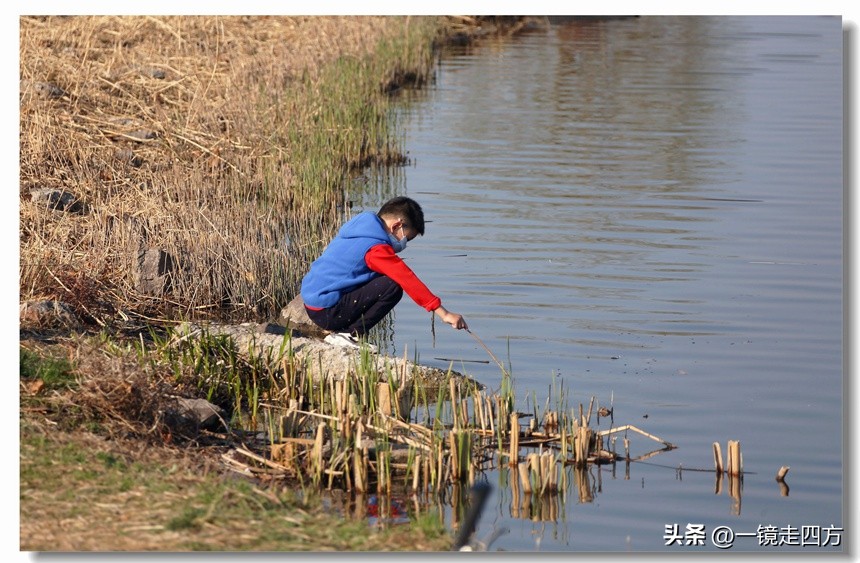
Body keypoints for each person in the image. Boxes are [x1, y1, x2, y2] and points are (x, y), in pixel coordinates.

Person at [300, 196, 468, 350]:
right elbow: (406, 278)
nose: (403, 244)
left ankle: (341, 332)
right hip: (327, 311)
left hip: (314, 302)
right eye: (406, 239)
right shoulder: (376, 249)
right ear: (397, 225)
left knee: (382, 278)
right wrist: (444, 313)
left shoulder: (362, 226)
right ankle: (348, 334)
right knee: (392, 285)